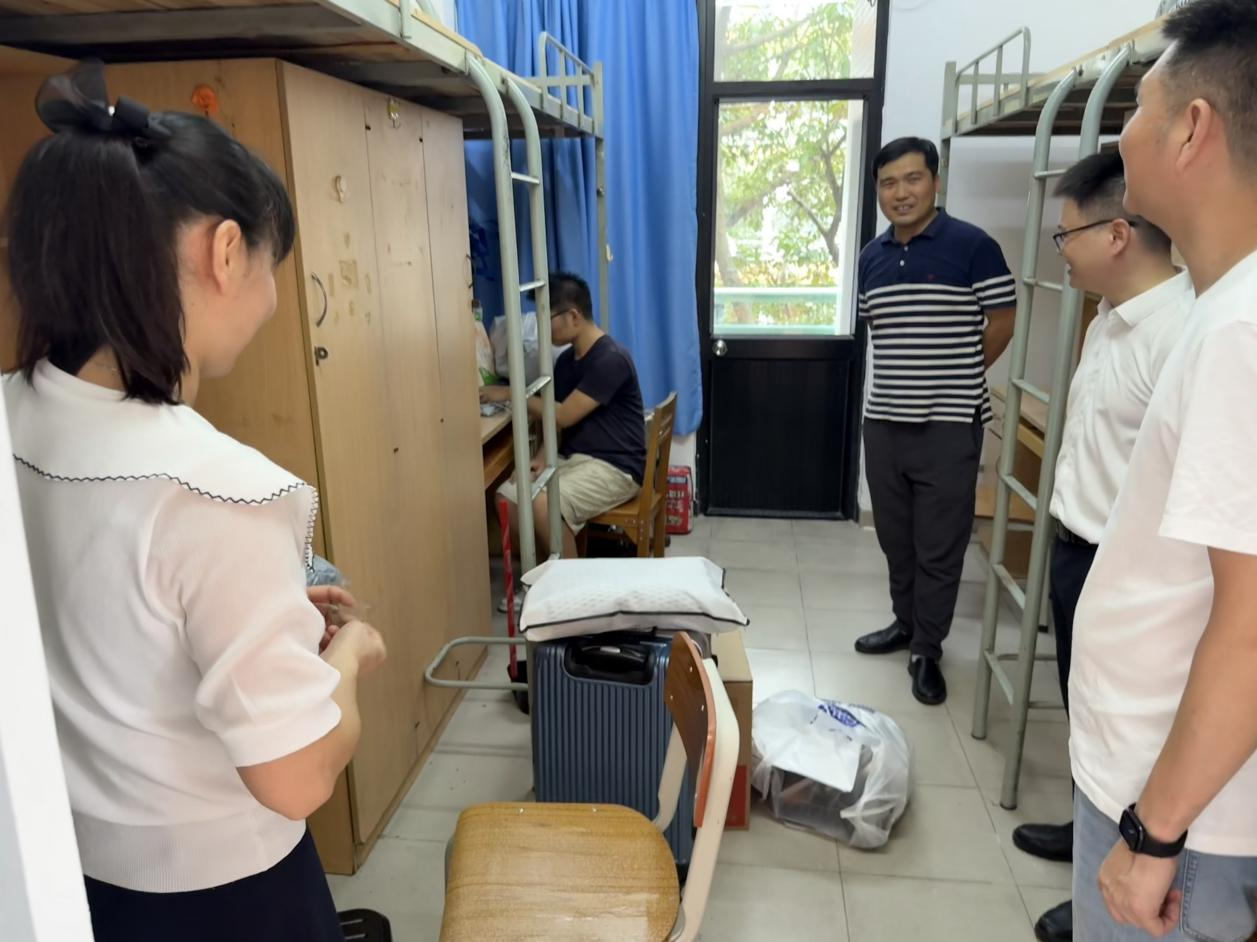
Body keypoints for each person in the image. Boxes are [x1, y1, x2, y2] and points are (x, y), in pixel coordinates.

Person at [2, 63, 386, 942]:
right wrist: (347, 658)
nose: (275, 295)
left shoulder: (12, 414)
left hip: (63, 874)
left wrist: (267, 613)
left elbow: (106, 623)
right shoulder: (219, 489)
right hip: (221, 899)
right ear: (225, 251)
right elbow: (295, 777)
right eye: (272, 264)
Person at [1068, 1, 1257, 936]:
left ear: (1191, 129)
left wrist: (1152, 834)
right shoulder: (1217, 306)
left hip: (1181, 822)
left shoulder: (1239, 331)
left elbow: (1252, 623)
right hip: (1153, 784)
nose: (1122, 136)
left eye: (1137, 108)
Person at [1007, 153, 1192, 942]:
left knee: (1132, 730)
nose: (1060, 251)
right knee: (1083, 710)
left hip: (1129, 571)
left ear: (1116, 234)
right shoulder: (1106, 321)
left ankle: (1115, 874)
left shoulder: (1183, 335)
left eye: (1065, 235)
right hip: (1073, 548)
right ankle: (1086, 828)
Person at [852, 137, 1017, 706]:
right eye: (888, 183)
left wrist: (956, 375)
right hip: (883, 422)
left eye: (912, 179)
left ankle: (927, 648)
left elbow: (1002, 322)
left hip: (948, 424)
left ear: (935, 182)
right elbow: (879, 330)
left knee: (939, 544)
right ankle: (905, 623)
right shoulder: (871, 257)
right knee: (895, 538)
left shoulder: (973, 246)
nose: (900, 192)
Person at [481, 272, 646, 562]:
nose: (542, 327)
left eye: (547, 318)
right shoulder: (567, 361)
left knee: (544, 504)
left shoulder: (611, 359)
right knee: (507, 497)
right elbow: (554, 421)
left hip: (616, 467)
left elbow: (563, 416)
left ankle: (572, 585)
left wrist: (509, 393)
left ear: (573, 316)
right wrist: (541, 456)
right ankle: (540, 575)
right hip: (574, 460)